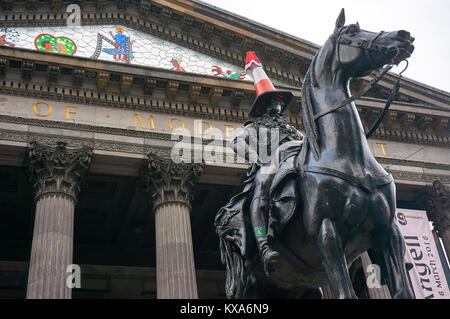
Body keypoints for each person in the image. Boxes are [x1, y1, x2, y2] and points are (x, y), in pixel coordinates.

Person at [229, 52, 304, 275]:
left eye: (279, 100)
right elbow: (236, 141)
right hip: (272, 164)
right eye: (270, 100)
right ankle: (263, 244)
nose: (276, 103)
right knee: (261, 190)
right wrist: (258, 160)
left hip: (299, 163)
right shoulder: (254, 128)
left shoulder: (293, 130)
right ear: (262, 106)